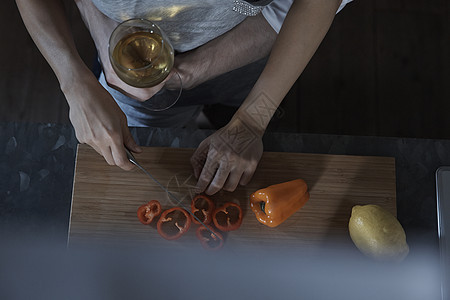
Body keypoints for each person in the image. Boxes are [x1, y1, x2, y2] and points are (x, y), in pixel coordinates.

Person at [15, 0, 352, 195]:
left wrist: (251, 120)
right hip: (130, 71)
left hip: (251, 61)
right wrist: (74, 79)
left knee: (230, 113)